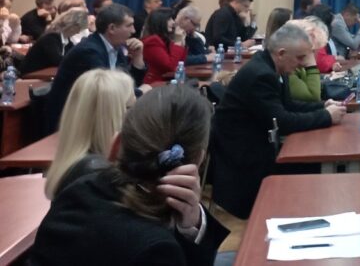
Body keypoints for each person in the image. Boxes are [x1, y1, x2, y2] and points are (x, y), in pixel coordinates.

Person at [30, 85, 229, 265]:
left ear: (116, 144)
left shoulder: (76, 192)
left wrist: (192, 226)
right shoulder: (157, 249)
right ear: (199, 159)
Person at [209, 23, 346, 218]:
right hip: (245, 161)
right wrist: (326, 116)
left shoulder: (272, 66)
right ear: (281, 53)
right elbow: (283, 121)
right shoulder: (261, 75)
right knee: (315, 166)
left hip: (258, 146)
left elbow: (287, 105)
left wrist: (323, 106)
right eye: (300, 58)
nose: (303, 64)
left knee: (318, 162)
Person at [46, 4, 149, 133]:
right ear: (112, 28)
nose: (133, 31)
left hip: (96, 115)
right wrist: (140, 92)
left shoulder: (115, 48)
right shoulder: (89, 51)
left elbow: (129, 83)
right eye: (129, 25)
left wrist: (138, 57)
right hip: (71, 123)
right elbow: (106, 92)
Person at [44, 68, 135, 199]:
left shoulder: (73, 166)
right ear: (110, 117)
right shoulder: (97, 178)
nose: (137, 114)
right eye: (131, 107)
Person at [20, 9, 89, 75]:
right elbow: (58, 60)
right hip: (32, 72)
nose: (78, 32)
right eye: (79, 28)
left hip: (46, 71)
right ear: (73, 26)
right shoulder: (51, 37)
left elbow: (73, 56)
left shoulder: (66, 40)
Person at [142, 9, 187, 86]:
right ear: (160, 21)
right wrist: (177, 42)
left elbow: (180, 64)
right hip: (155, 84)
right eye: (169, 19)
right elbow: (170, 66)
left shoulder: (164, 40)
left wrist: (181, 43)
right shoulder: (152, 41)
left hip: (167, 82)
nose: (173, 22)